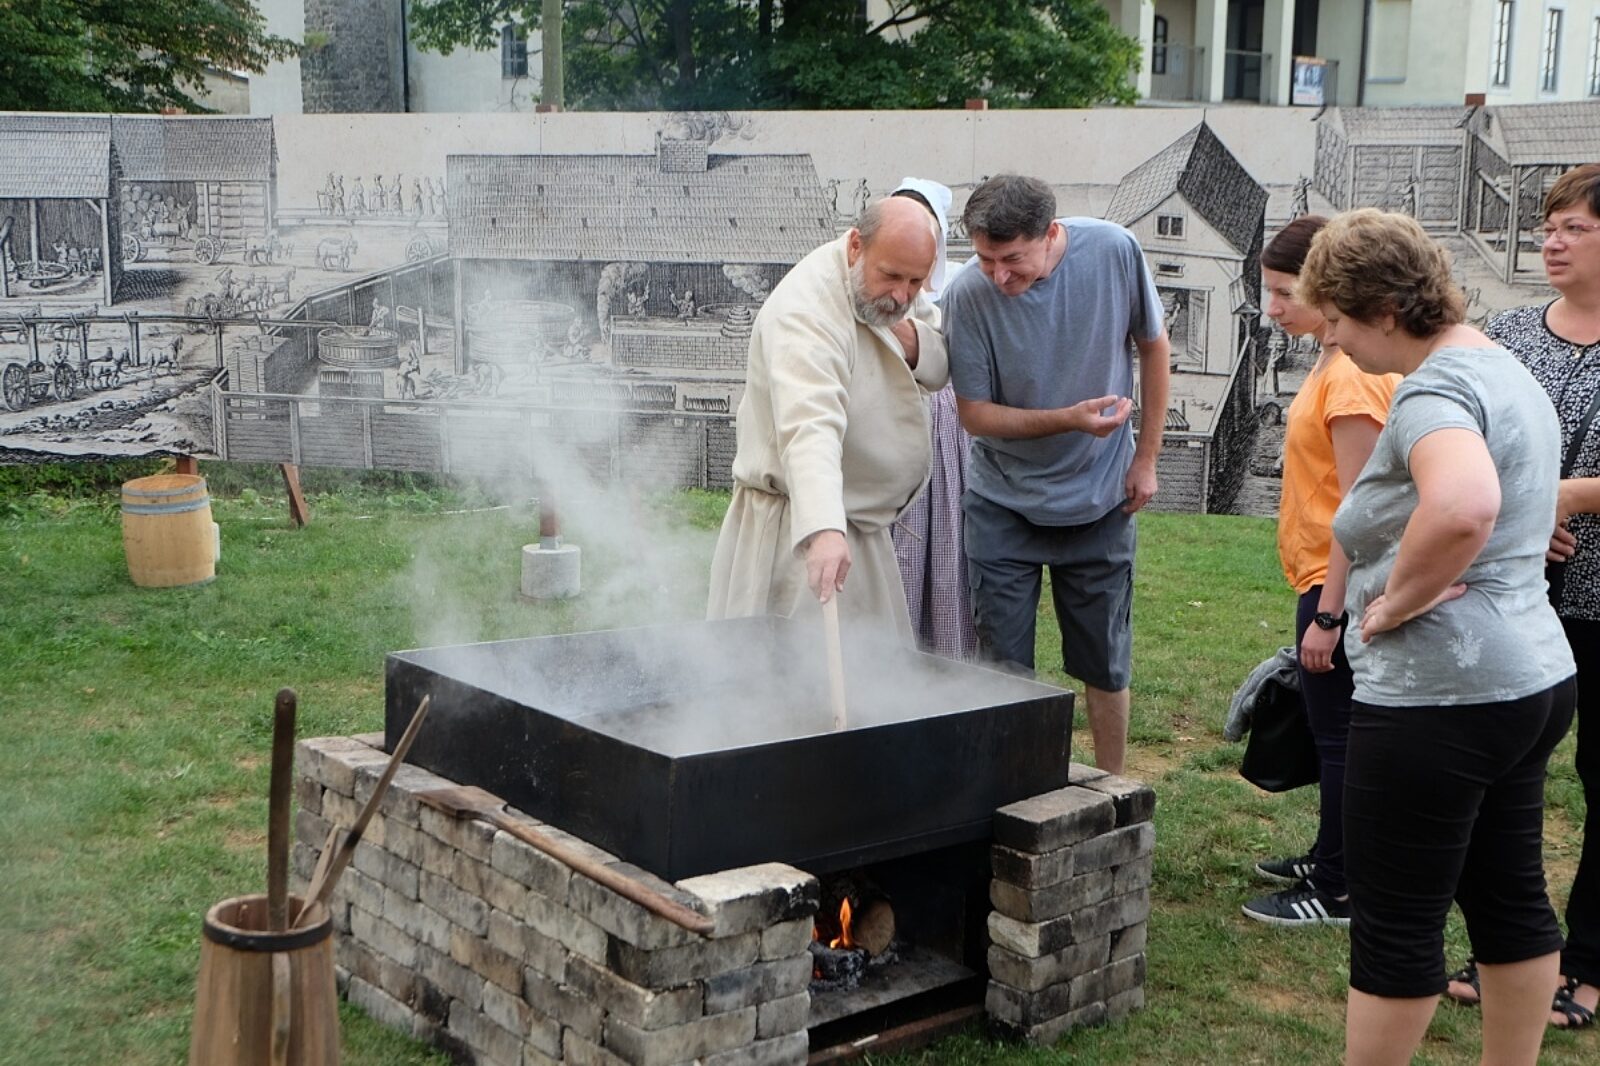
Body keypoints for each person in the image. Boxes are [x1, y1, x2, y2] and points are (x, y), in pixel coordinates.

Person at [1298, 208, 1577, 1066]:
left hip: (1440, 702)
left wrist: (1391, 606)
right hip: (1529, 681)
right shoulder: (1503, 364)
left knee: (1396, 925)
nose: (1336, 342)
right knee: (1509, 897)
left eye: (1338, 322)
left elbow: (1463, 506)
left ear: (1383, 310)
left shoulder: (1434, 389)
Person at [941, 174, 1171, 775]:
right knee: (1004, 669)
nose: (998, 276)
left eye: (1012, 258)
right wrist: (1068, 420)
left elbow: (1153, 345)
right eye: (985, 258)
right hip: (1003, 506)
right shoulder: (967, 295)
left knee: (1104, 662)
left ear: (1051, 234)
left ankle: (1113, 793)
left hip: (1102, 500)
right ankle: (1013, 794)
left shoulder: (1115, 250)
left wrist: (1144, 458)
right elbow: (975, 415)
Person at [1444, 162, 1600, 1031]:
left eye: (1575, 226)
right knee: (1507, 778)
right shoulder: (1508, 334)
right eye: (1549, 224)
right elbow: (1474, 442)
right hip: (1516, 591)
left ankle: (1588, 965)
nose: (1551, 239)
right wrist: (1521, 510)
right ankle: (1510, 952)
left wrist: (1566, 498)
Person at [1242, 216, 1398, 928]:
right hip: (1319, 578)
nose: (1271, 306)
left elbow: (1362, 507)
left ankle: (1336, 889)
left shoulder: (1355, 381)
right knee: (1333, 730)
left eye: (1282, 291)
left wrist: (1330, 613)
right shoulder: (1332, 362)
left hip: (1337, 585)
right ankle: (1330, 854)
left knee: (1339, 739)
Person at [707, 197, 948, 640]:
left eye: (916, 282)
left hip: (862, 527)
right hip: (795, 528)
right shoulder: (805, 315)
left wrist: (911, 343)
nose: (902, 295)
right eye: (892, 277)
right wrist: (822, 531)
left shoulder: (889, 273)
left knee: (871, 688)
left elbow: (936, 346)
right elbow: (809, 428)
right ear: (856, 246)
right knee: (784, 684)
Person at [887, 176, 978, 660]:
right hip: (885, 423)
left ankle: (944, 661)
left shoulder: (961, 283)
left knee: (941, 547)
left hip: (939, 424)